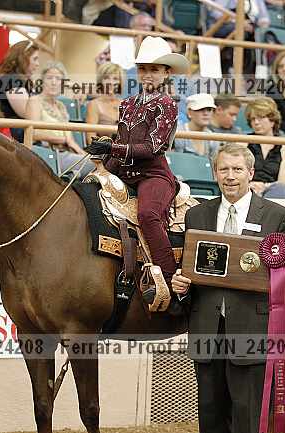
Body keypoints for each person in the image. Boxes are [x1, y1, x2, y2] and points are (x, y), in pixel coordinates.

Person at [172, 142, 285, 433]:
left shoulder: (276, 215)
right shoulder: (197, 215)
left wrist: (273, 260)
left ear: (250, 173)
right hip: (207, 331)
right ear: (214, 173)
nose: (230, 176)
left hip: (252, 330)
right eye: (223, 169)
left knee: (247, 418)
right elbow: (191, 270)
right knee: (210, 417)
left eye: (237, 169)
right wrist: (181, 286)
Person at [84, 36, 189, 305]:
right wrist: (102, 168)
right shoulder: (127, 104)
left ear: (166, 73)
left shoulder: (167, 104)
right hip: (123, 171)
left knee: (148, 214)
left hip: (153, 174)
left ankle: (170, 284)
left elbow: (153, 147)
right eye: (143, 69)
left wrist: (112, 148)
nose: (148, 74)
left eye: (154, 69)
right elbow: (121, 142)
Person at [25, 61, 94, 179]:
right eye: (49, 78)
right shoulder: (34, 101)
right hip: (47, 153)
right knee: (97, 166)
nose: (53, 82)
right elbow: (32, 133)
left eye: (58, 79)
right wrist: (62, 139)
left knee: (100, 163)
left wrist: (84, 154)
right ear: (42, 81)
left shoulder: (61, 106)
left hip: (66, 152)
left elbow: (70, 139)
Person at [245, 97, 285, 198]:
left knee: (280, 188)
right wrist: (249, 185)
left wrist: (264, 186)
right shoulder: (242, 143)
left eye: (260, 118)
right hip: (247, 189)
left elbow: (284, 182)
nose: (256, 122)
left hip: (272, 191)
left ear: (272, 121)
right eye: (253, 119)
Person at [0, 41, 40, 142]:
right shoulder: (11, 80)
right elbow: (30, 116)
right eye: (35, 59)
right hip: (13, 138)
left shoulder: (21, 81)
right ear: (22, 59)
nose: (38, 64)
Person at [85, 62, 123, 143]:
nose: (111, 82)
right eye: (106, 78)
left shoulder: (125, 104)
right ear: (100, 81)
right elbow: (90, 139)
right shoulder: (94, 105)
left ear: (120, 82)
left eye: (115, 79)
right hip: (105, 149)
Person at [173, 93, 219, 159]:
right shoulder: (177, 133)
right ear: (189, 112)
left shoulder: (213, 139)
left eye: (209, 109)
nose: (206, 113)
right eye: (200, 109)